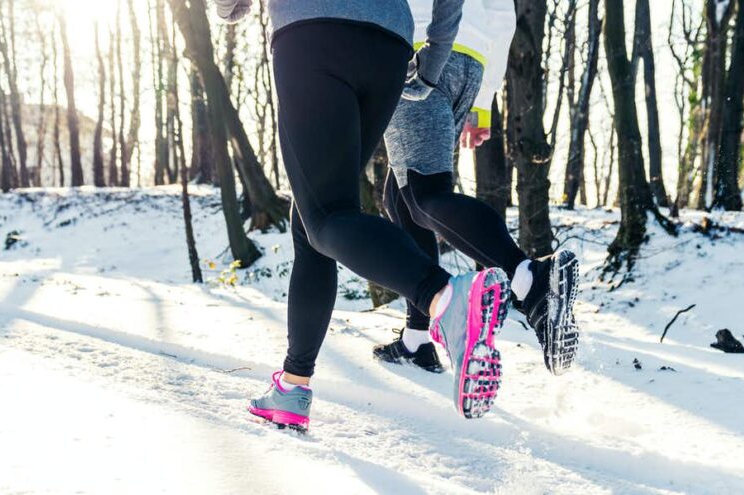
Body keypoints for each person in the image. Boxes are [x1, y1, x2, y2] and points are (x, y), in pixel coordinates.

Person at [214, 0, 511, 432]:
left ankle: (445, 298)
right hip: (388, 46)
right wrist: (433, 57)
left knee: (326, 216)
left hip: (312, 33)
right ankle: (293, 386)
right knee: (312, 219)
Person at [371, 0, 581, 377]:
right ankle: (417, 340)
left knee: (422, 195)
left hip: (419, 52)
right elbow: (501, 14)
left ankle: (531, 280)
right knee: (400, 198)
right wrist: (483, 99)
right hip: (469, 61)